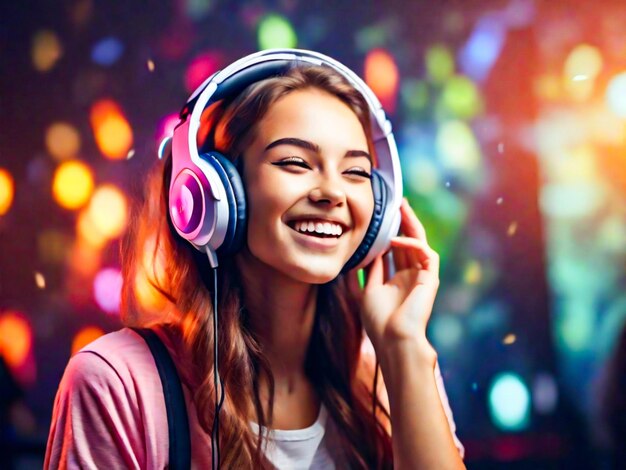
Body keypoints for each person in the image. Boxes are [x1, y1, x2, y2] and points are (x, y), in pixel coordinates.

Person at [45, 49, 465, 469]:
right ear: (215, 192)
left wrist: (405, 348)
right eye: (296, 163)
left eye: (355, 172)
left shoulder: (395, 368)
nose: (333, 193)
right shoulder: (115, 382)